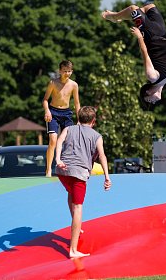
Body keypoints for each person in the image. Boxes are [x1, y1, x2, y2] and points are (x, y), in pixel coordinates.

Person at [54, 106, 111, 259]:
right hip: (79, 173)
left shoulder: (69, 129)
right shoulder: (97, 136)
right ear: (94, 121)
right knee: (78, 207)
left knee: (70, 193)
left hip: (62, 172)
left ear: (78, 119)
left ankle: (76, 227)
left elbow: (58, 142)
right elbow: (102, 156)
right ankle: (73, 250)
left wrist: (58, 159)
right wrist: (107, 176)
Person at [101, 3, 166, 111]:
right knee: (149, 7)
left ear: (148, 92)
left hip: (151, 36)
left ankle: (113, 16)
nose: (154, 102)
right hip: (163, 34)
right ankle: (119, 17)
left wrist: (139, 37)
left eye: (149, 100)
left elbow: (145, 53)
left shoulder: (152, 77)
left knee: (133, 9)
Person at [43, 60, 81, 177]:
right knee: (53, 140)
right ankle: (49, 169)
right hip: (53, 112)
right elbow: (45, 100)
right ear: (60, 71)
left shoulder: (74, 85)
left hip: (66, 113)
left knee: (69, 141)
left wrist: (80, 119)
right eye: (65, 71)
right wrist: (47, 111)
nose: (67, 73)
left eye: (69, 71)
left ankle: (67, 167)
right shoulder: (53, 83)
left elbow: (77, 103)